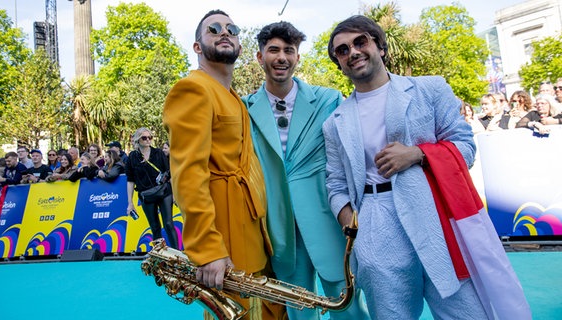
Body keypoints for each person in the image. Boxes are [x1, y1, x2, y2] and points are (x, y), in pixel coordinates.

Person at [324, 15, 531, 319]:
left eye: (360, 42)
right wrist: (353, 224)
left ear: (380, 47)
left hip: (437, 216)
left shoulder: (430, 90)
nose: (352, 52)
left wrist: (418, 154)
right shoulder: (335, 122)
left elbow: (466, 147)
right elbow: (336, 183)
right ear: (339, 63)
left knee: (468, 313)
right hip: (375, 224)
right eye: (342, 50)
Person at [163, 10, 286, 320]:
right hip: (225, 240)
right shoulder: (193, 89)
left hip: (253, 232)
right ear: (197, 46)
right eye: (214, 29)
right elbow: (188, 174)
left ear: (241, 46)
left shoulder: (231, 96)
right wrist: (208, 249)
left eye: (232, 29)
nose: (225, 32)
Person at [243, 21, 369, 320]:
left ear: (298, 57)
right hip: (279, 228)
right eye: (273, 50)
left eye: (289, 50)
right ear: (260, 57)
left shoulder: (328, 100)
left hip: (329, 220)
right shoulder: (244, 108)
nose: (282, 57)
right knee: (298, 313)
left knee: (350, 310)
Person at [125, 127, 179, 250]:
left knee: (169, 224)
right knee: (154, 227)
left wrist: (175, 194)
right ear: (138, 140)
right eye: (144, 138)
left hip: (164, 192)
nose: (148, 140)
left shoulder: (158, 153)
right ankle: (159, 256)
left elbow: (168, 174)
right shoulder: (132, 157)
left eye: (150, 137)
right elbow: (130, 181)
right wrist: (130, 203)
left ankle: (178, 254)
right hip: (146, 195)